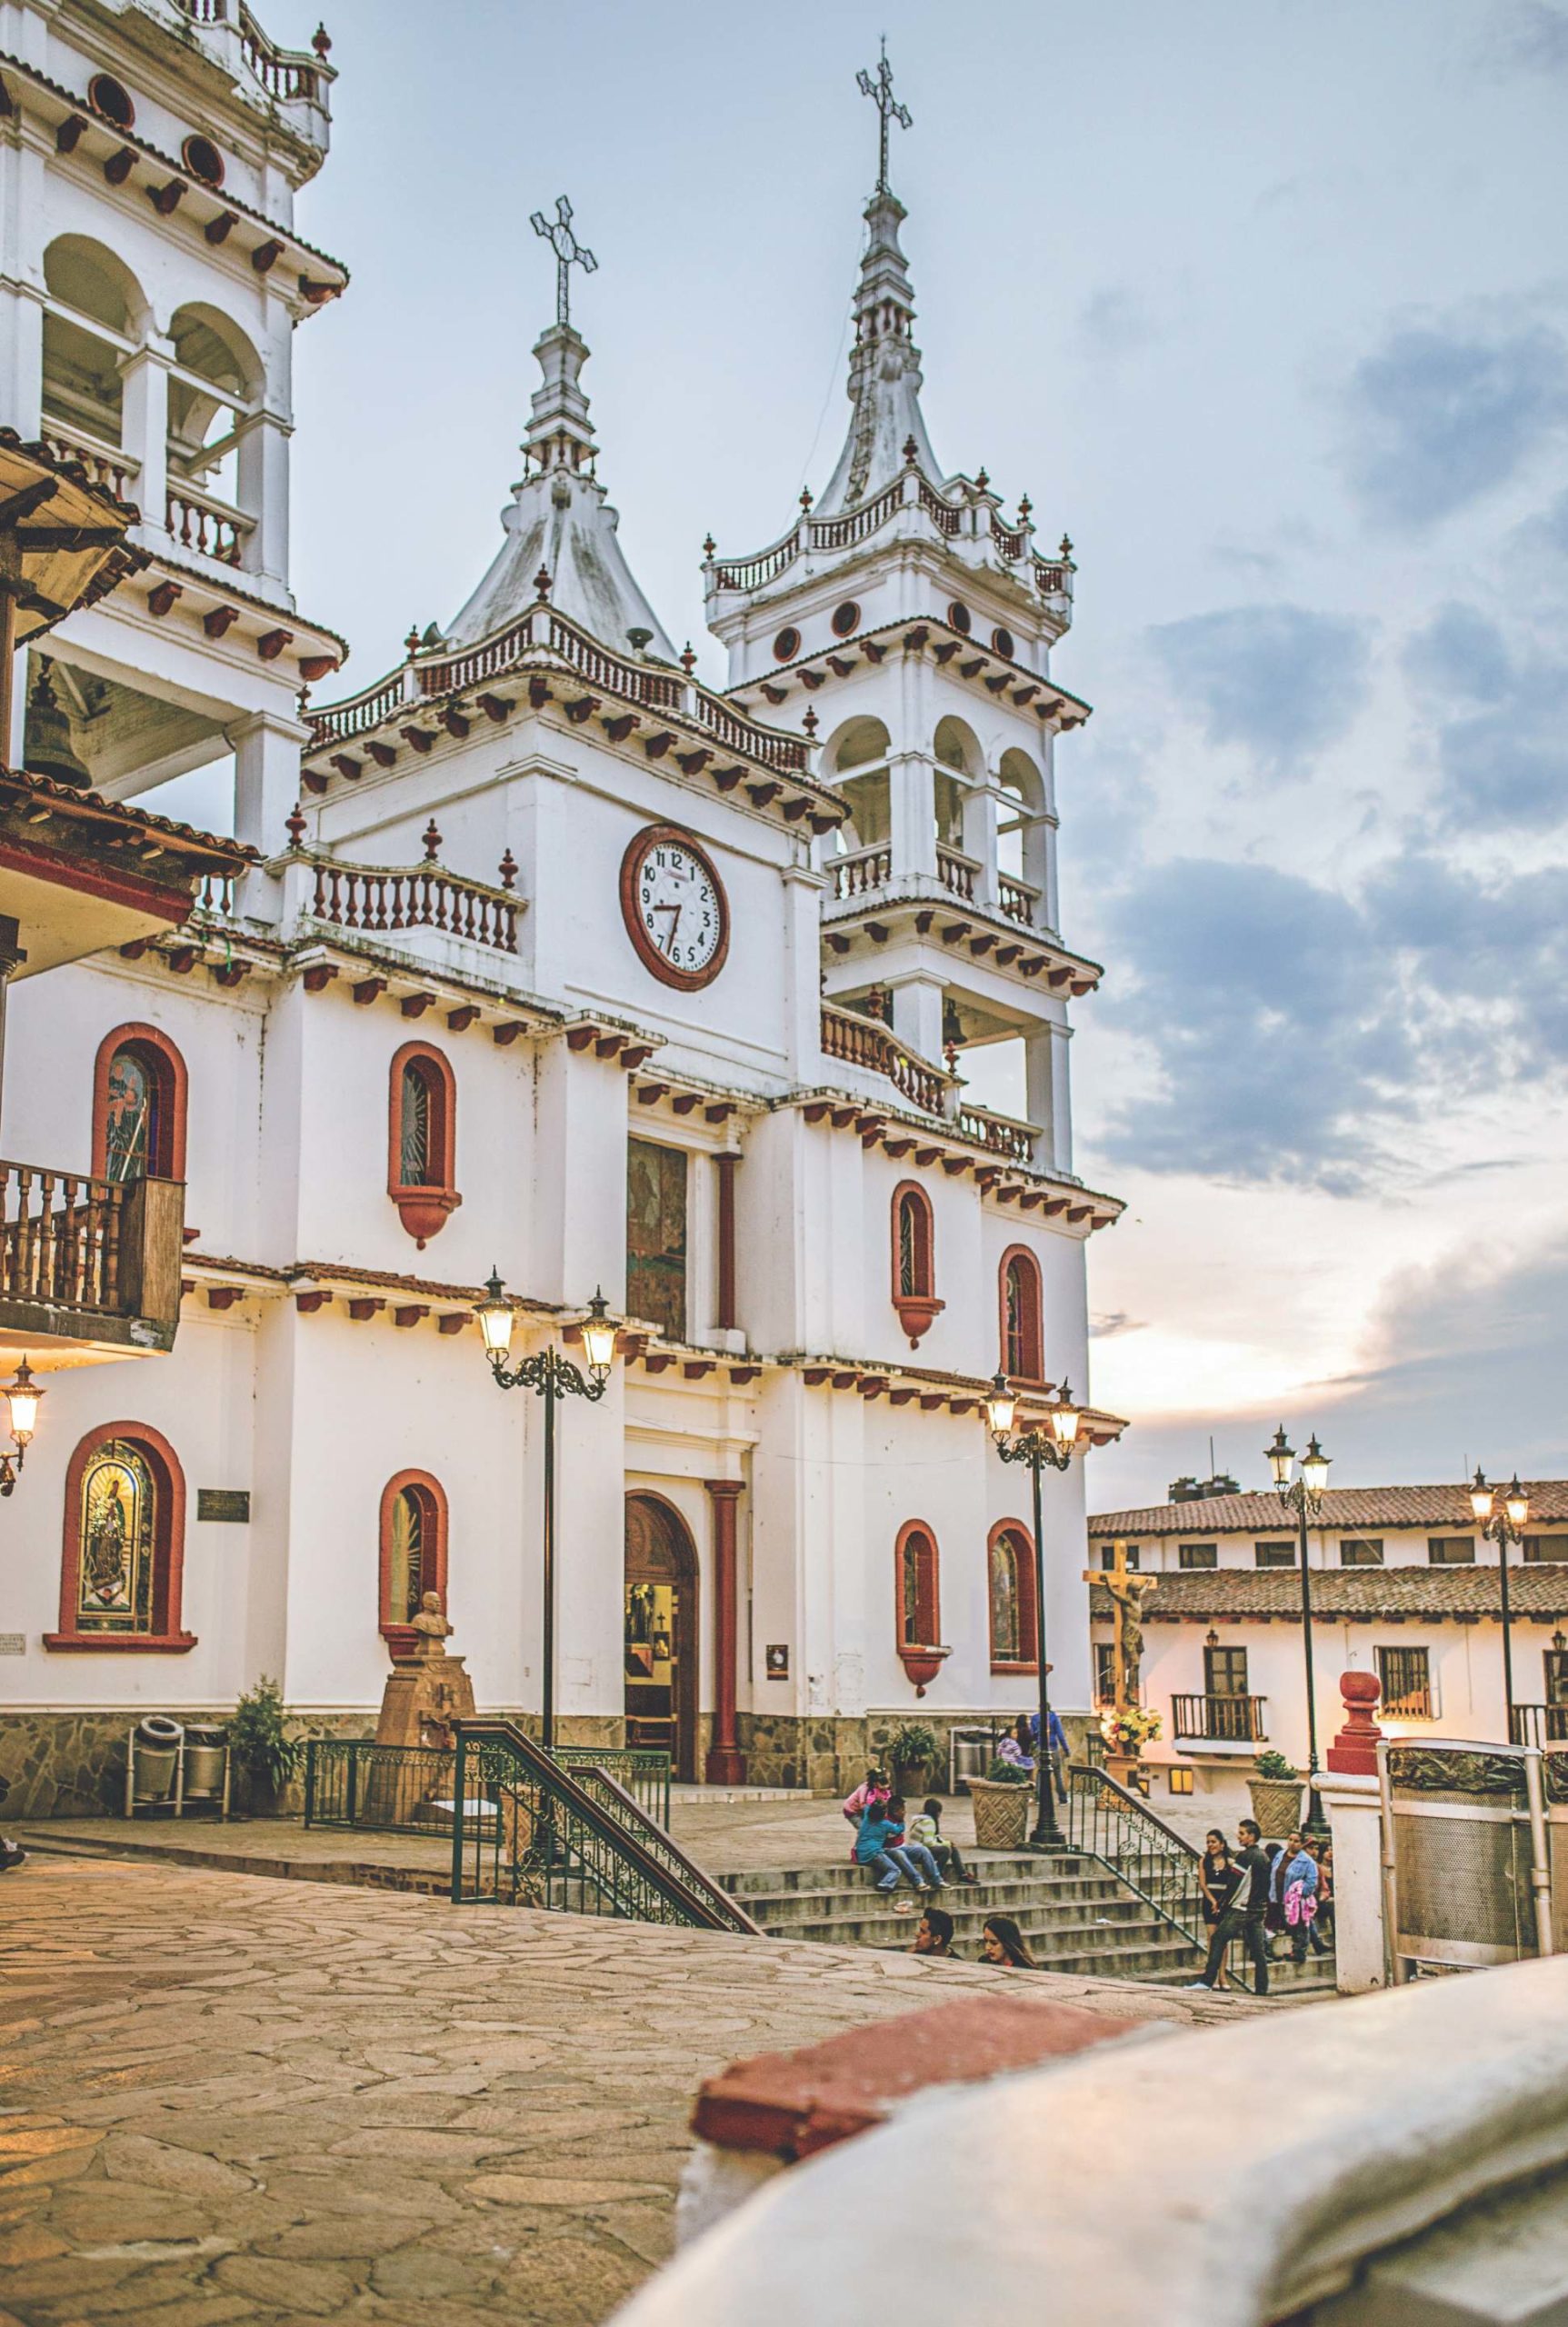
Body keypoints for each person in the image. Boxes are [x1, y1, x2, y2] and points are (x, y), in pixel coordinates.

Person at [1187, 1816, 1271, 1995]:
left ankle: (1207, 1980)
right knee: (1258, 1951)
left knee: (1217, 1939)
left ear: (1251, 1836)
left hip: (1242, 1909)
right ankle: (1262, 1988)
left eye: (1242, 1833)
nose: (1238, 1837)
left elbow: (1235, 1884)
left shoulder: (1245, 1856)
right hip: (1258, 1909)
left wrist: (1222, 1905)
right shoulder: (1263, 1856)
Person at [855, 1793, 944, 1904]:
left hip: (862, 1852)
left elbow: (866, 1806)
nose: (904, 1812)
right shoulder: (885, 1824)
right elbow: (899, 1830)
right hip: (875, 1853)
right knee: (895, 1870)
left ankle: (937, 1880)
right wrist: (902, 1821)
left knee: (923, 1850)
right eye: (901, 1810)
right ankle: (886, 1884)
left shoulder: (868, 1816)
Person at [1198, 1828, 1242, 1992]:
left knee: (1222, 1940)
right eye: (1208, 1842)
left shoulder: (1230, 1863)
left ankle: (1223, 1974)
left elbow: (1234, 1884)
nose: (1211, 1845)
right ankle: (1213, 1974)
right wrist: (1212, 1901)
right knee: (1212, 1937)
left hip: (1224, 1902)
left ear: (1222, 1844)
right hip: (1210, 1901)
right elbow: (1203, 1884)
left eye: (1214, 1842)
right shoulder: (1204, 1861)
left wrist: (1222, 1902)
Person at [907, 1797, 979, 1885]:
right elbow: (929, 1843)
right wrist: (946, 1844)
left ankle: (962, 1874)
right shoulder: (928, 1822)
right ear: (937, 1812)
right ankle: (937, 1875)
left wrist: (947, 1842)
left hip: (921, 1851)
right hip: (918, 1853)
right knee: (945, 1850)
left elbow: (936, 1838)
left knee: (951, 1847)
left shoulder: (926, 1820)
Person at [1279, 1833, 1328, 1963]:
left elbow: (1318, 1885)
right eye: (1310, 1848)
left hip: (1303, 1898)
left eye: (1316, 1848)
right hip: (1289, 1898)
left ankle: (1301, 1950)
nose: (1314, 1852)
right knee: (1300, 1923)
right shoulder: (1286, 1859)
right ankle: (1316, 1944)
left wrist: (1300, 1894)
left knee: (1302, 1924)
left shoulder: (1311, 1864)